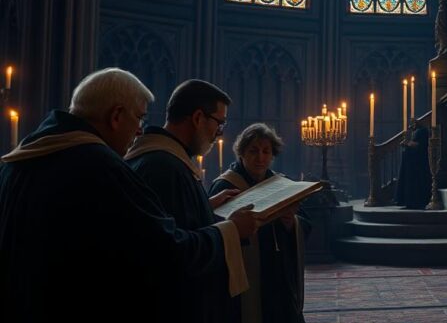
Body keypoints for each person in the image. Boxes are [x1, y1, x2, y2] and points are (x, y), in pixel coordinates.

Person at [0, 68, 257, 323]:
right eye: (139, 118)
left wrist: (203, 208)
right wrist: (231, 230)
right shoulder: (99, 166)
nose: (139, 131)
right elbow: (165, 252)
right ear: (116, 116)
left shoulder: (18, 161)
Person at [126, 79, 251, 323]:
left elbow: (173, 221)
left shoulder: (161, 159)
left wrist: (206, 205)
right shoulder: (164, 166)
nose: (219, 133)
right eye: (219, 123)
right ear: (197, 117)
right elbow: (172, 252)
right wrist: (233, 229)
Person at [210, 123, 310, 323]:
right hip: (243, 276)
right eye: (253, 151)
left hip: (278, 274)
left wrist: (291, 221)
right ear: (242, 153)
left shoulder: (281, 184)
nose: (261, 157)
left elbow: (304, 223)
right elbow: (212, 230)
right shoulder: (225, 186)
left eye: (266, 151)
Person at [394, 121, 431, 209]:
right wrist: (408, 144)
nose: (411, 126)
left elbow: (420, 144)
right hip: (413, 162)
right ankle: (408, 201)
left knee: (415, 181)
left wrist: (408, 143)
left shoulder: (422, 131)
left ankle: (414, 201)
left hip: (418, 163)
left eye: (412, 124)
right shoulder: (417, 131)